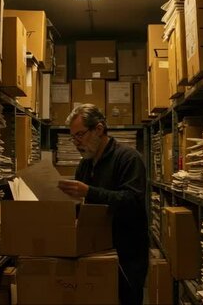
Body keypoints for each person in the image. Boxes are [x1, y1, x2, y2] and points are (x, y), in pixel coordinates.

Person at [58, 103, 149, 305]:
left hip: (126, 254)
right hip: (95, 249)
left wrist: (89, 191)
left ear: (98, 129)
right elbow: (81, 205)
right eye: (72, 137)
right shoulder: (85, 164)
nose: (76, 143)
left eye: (80, 135)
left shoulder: (128, 158)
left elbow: (132, 200)